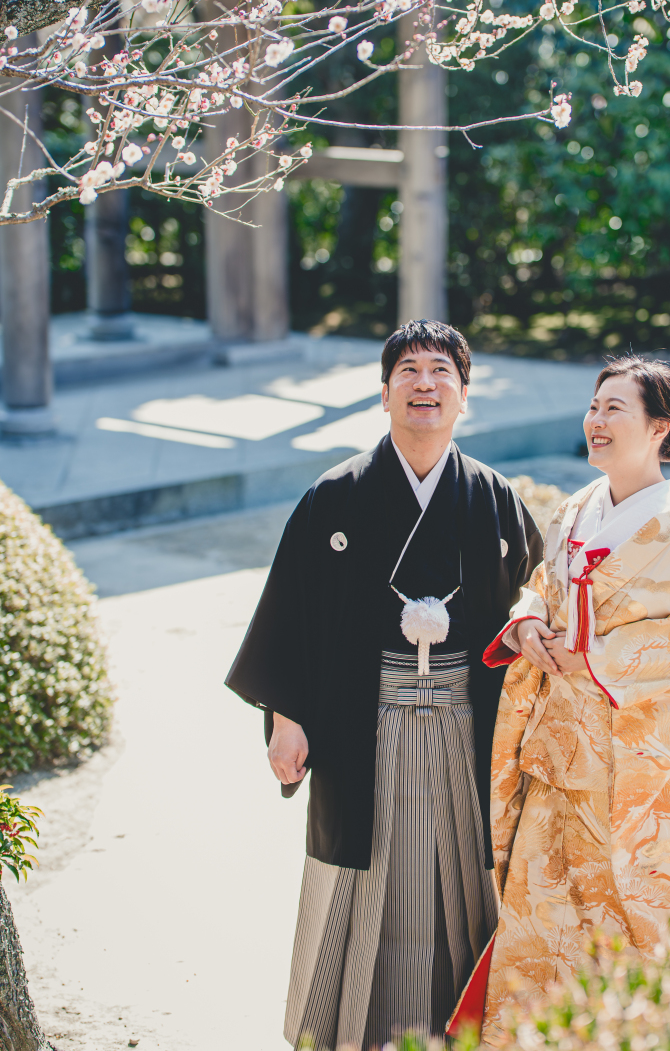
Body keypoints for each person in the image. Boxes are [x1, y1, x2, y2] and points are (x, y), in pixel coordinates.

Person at [225, 319, 543, 1051]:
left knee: (467, 874)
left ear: (464, 394)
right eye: (408, 371)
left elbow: (536, 605)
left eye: (441, 371)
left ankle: (468, 1029)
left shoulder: (495, 499)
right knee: (366, 879)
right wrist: (286, 718)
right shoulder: (334, 497)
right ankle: (355, 1034)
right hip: (361, 724)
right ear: (384, 393)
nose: (424, 384)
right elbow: (292, 612)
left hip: (469, 724)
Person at [465, 355, 670, 1045]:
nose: (596, 420)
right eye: (594, 406)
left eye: (615, 408)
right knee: (546, 918)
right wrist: (529, 621)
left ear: (661, 428)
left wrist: (595, 657)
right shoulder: (577, 509)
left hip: (634, 769)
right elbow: (543, 586)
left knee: (633, 917)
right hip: (557, 754)